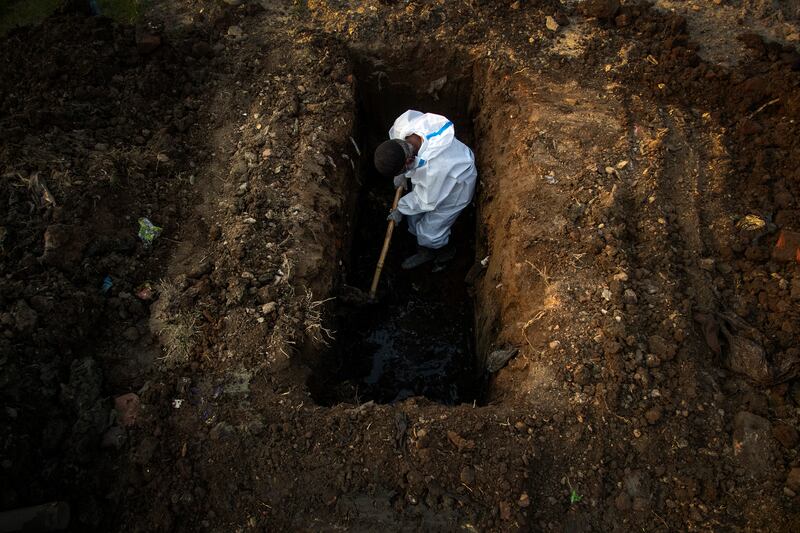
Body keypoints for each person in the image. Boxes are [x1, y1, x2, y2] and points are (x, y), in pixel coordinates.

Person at [373, 110, 477, 271]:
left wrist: (401, 208)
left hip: (456, 184)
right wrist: (402, 175)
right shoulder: (404, 128)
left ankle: (443, 252)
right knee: (414, 218)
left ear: (408, 161)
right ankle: (422, 246)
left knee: (430, 233)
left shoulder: (435, 168)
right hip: (434, 178)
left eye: (401, 170)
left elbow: (427, 200)